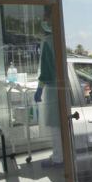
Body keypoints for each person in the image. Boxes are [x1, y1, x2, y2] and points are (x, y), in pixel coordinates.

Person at [34, 13, 63, 168]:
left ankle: (58, 157)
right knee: (61, 125)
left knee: (55, 126)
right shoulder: (60, 40)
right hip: (63, 87)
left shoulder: (48, 42)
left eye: (46, 20)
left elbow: (45, 72)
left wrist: (39, 90)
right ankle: (60, 154)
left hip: (53, 89)